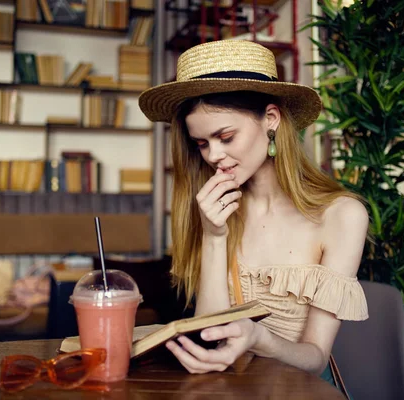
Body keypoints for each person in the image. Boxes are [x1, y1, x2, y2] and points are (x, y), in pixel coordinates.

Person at [138, 39, 369, 390]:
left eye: (226, 136)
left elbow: (316, 357)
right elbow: (210, 335)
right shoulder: (214, 208)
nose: (213, 155)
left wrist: (258, 338)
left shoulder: (342, 216)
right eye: (201, 143)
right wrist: (215, 237)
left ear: (271, 120)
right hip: (229, 389)